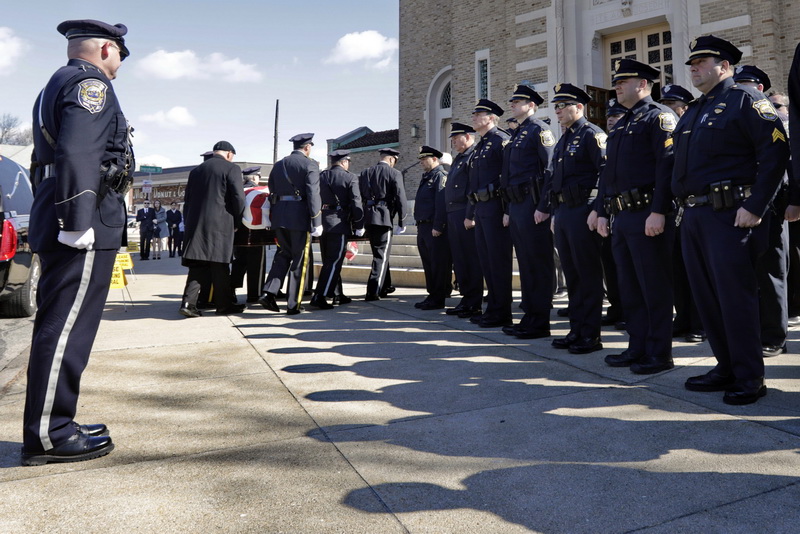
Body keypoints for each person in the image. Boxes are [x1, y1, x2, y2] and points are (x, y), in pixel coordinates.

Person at [23, 19, 134, 465]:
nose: (120, 64)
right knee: (66, 329)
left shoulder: (58, 82)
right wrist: (76, 217)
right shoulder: (91, 85)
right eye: (121, 56)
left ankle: (56, 421)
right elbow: (79, 152)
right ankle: (51, 433)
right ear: (108, 48)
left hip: (67, 210)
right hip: (82, 219)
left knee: (62, 326)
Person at [673, 35, 789, 404]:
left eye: (702, 62)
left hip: (731, 215)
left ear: (724, 66)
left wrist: (756, 205)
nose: (693, 67)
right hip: (694, 215)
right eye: (692, 63)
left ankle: (749, 376)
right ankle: (725, 366)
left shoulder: (744, 100)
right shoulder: (692, 110)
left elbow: (776, 151)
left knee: (735, 298)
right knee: (707, 297)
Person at [595, 58, 677, 374]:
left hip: (647, 214)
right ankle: (638, 346)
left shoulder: (659, 117)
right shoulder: (623, 123)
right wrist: (601, 210)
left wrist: (659, 211)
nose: (616, 85)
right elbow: (609, 174)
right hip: (622, 216)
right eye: (616, 80)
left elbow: (666, 167)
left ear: (642, 84)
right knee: (629, 287)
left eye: (623, 81)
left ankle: (660, 353)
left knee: (653, 286)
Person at [546, 83, 607, 353]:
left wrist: (598, 210)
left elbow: (605, 174)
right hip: (565, 212)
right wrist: (554, 212)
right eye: (555, 106)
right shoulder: (565, 138)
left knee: (588, 274)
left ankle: (591, 335)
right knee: (572, 275)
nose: (557, 111)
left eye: (562, 106)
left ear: (579, 107)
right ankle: (576, 329)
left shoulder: (592, 135)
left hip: (584, 210)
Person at [499, 85, 555, 339]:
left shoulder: (539, 131)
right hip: (518, 205)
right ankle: (530, 316)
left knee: (538, 264)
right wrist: (509, 209)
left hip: (534, 206)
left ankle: (540, 321)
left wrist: (544, 207)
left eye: (518, 101)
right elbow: (510, 176)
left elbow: (549, 171)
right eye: (512, 101)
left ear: (532, 104)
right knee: (525, 264)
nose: (512, 104)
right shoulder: (518, 133)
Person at [658, 84, 705, 343]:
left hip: (693, 207)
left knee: (695, 271)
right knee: (677, 268)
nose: (666, 109)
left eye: (671, 105)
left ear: (684, 108)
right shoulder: (671, 134)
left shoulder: (694, 130)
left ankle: (700, 323)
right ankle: (684, 317)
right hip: (673, 211)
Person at [179, 141, 246, 317]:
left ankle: (188, 303)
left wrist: (189, 223)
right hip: (221, 224)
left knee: (198, 265)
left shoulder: (196, 171)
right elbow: (239, 198)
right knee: (221, 265)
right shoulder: (232, 168)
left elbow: (187, 200)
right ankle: (224, 305)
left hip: (196, 223)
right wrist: (237, 222)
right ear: (230, 154)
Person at [258, 133, 322, 315]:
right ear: (308, 147)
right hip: (299, 218)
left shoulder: (279, 165)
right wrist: (316, 219)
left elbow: (271, 188)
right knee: (300, 260)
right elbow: (313, 193)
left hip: (280, 216)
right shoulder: (310, 164)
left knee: (283, 255)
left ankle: (269, 292)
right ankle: (294, 304)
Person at [466, 99, 513, 328]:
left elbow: (507, 177)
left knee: (498, 262)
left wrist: (507, 210)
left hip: (496, 207)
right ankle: (492, 308)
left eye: (478, 114)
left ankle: (502, 311)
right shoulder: (481, 145)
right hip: (482, 207)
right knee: (487, 261)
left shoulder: (501, 141)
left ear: (492, 117)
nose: (473, 118)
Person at [310, 149, 364, 309]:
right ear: (344, 162)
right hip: (339, 223)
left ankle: (337, 294)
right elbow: (356, 202)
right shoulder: (350, 177)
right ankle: (320, 296)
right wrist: (359, 224)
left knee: (329, 261)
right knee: (334, 262)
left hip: (323, 221)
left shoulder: (321, 176)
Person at [445, 123, 484, 318]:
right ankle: (466, 299)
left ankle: (474, 302)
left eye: (456, 137)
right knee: (460, 260)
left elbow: (473, 189)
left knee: (470, 260)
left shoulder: (473, 157)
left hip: (464, 214)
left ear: (468, 137)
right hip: (453, 213)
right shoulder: (458, 158)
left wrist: (471, 215)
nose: (452, 141)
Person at [359, 148, 408, 300]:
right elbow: (401, 198)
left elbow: (359, 196)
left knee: (379, 253)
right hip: (384, 218)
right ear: (392, 159)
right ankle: (373, 291)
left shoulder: (366, 172)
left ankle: (385, 285)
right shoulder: (394, 173)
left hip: (368, 217)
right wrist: (402, 220)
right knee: (381, 255)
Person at [413, 145, 452, 310]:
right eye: (420, 159)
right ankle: (432, 294)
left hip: (433, 228)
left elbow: (441, 204)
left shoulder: (440, 176)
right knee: (428, 264)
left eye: (424, 159)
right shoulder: (427, 176)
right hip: (423, 227)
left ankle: (438, 297)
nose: (421, 162)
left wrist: (438, 226)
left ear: (435, 159)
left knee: (438, 264)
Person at [231, 166, 267, 303]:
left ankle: (231, 290)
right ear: (255, 178)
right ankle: (254, 294)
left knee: (239, 263)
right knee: (257, 265)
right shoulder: (258, 191)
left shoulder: (237, 191)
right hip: (256, 232)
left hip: (239, 233)